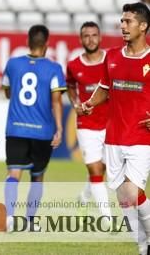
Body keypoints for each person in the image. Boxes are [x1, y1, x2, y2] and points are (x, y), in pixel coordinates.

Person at [81, 2, 150, 255]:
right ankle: (143, 246)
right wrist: (90, 103)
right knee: (124, 200)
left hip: (142, 137)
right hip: (113, 138)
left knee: (133, 192)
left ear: (143, 26)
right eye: (122, 21)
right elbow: (104, 88)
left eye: (128, 21)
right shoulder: (112, 56)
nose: (122, 25)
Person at [2, 25, 66, 233]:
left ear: (27, 42)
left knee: (14, 173)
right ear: (47, 44)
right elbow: (57, 101)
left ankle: (10, 219)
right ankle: (30, 221)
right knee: (37, 176)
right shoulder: (54, 68)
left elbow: (7, 92)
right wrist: (59, 128)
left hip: (16, 129)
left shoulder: (13, 64)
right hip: (42, 131)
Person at [66, 21, 113, 225]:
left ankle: (84, 196)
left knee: (105, 169)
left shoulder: (111, 60)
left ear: (100, 37)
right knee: (94, 170)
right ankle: (108, 220)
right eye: (86, 35)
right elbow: (69, 85)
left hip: (112, 123)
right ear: (80, 39)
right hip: (87, 124)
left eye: (94, 35)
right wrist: (75, 102)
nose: (90, 39)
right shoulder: (74, 65)